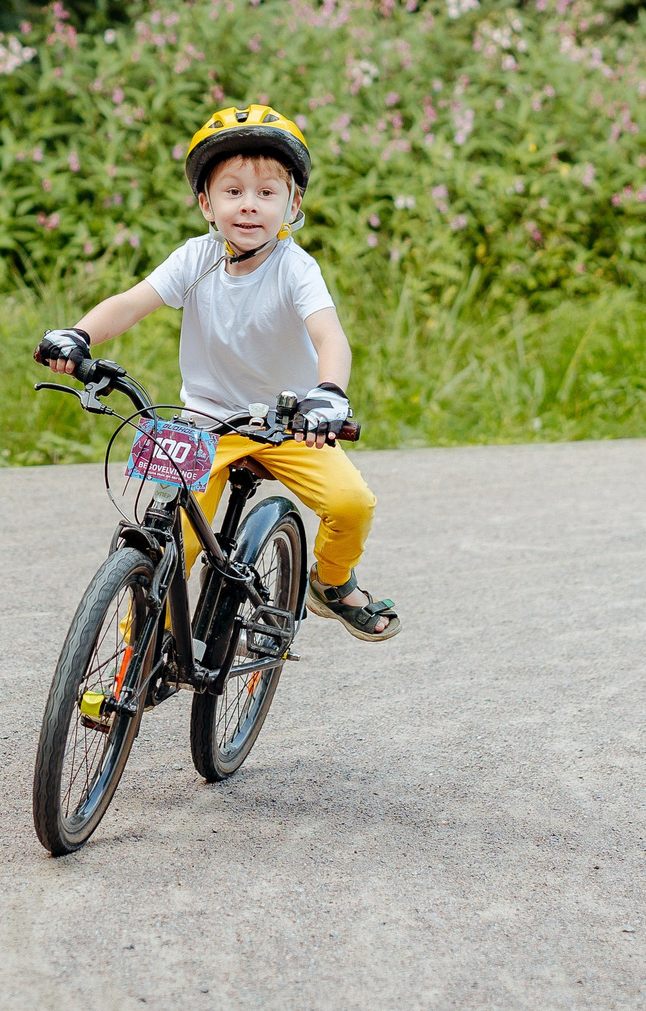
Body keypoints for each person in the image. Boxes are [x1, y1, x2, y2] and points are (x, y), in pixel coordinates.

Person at [34, 105, 398, 642]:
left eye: (266, 193)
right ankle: (125, 672)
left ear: (292, 204)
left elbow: (329, 336)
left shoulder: (296, 268)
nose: (249, 206)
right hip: (202, 425)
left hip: (289, 423)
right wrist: (79, 335)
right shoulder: (194, 258)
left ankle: (334, 582)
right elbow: (131, 303)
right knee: (167, 545)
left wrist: (328, 394)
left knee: (351, 503)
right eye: (232, 192)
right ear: (206, 202)